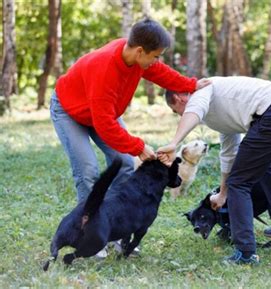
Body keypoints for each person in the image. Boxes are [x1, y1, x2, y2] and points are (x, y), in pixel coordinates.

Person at [50, 19, 209, 257]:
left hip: (103, 112)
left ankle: (117, 229)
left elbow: (161, 73)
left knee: (124, 164)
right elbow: (105, 126)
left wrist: (192, 84)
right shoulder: (104, 69)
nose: (157, 61)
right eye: (156, 56)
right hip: (70, 111)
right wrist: (137, 146)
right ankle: (90, 233)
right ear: (140, 51)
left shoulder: (137, 58)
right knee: (88, 171)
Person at [157, 76, 271, 264]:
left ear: (179, 98)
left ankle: (245, 253)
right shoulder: (219, 111)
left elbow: (193, 111)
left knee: (239, 183)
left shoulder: (201, 91)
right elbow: (229, 152)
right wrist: (223, 193)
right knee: (261, 163)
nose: (180, 116)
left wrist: (174, 143)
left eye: (176, 111)